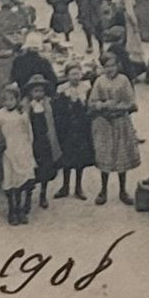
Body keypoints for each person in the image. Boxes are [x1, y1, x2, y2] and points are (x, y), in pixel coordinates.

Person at [89, 51, 141, 205]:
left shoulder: (123, 80)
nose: (110, 69)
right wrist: (102, 105)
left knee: (121, 154)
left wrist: (118, 106)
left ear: (118, 66)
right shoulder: (99, 81)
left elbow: (131, 102)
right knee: (105, 154)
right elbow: (92, 101)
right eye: (106, 66)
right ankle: (103, 190)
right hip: (104, 123)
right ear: (102, 68)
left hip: (120, 121)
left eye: (112, 66)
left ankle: (122, 190)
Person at [0, 83, 37, 225]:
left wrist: (28, 148)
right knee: (10, 180)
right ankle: (12, 209)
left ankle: (21, 209)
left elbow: (29, 132)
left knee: (23, 178)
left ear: (17, 100)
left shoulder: (22, 115)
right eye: (6, 100)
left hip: (22, 149)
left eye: (11, 100)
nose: (8, 103)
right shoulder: (0, 115)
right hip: (8, 151)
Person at [51, 62, 96, 200]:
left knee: (80, 158)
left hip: (82, 128)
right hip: (67, 129)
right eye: (72, 74)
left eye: (77, 74)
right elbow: (57, 110)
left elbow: (90, 108)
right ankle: (65, 186)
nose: (75, 77)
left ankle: (78, 187)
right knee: (67, 157)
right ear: (67, 76)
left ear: (81, 74)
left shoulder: (87, 88)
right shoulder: (62, 89)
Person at [25, 76, 63, 211]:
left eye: (41, 91)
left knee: (45, 169)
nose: (39, 94)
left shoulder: (47, 104)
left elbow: (52, 123)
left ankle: (43, 195)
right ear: (30, 92)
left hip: (45, 141)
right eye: (36, 91)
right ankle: (28, 198)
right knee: (30, 171)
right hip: (32, 142)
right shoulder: (27, 106)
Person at [10, 31, 59, 95]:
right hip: (40, 93)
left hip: (23, 93)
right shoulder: (43, 61)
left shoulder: (18, 60)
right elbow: (53, 80)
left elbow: (13, 78)